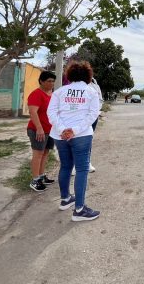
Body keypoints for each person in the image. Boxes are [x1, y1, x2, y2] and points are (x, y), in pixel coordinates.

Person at [47, 61, 100, 222]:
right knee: (82, 169)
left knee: (65, 166)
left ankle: (65, 199)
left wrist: (63, 129)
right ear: (88, 76)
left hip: (60, 135)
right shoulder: (91, 92)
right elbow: (93, 114)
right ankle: (79, 209)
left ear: (69, 76)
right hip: (82, 135)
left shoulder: (60, 92)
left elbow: (51, 113)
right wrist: (74, 130)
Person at [27, 70, 56, 192]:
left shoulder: (52, 94)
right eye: (49, 81)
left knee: (45, 153)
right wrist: (39, 128)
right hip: (38, 130)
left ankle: (41, 176)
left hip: (50, 130)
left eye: (53, 81)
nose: (51, 84)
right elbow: (33, 112)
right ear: (41, 81)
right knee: (38, 154)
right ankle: (35, 180)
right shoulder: (36, 94)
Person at [71, 72, 103, 175]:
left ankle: (87, 163)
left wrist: (95, 113)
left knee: (88, 140)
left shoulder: (95, 85)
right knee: (75, 140)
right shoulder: (73, 86)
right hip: (77, 118)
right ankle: (73, 166)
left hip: (92, 118)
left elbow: (100, 100)